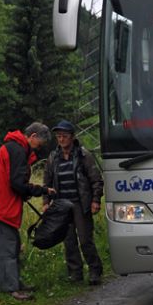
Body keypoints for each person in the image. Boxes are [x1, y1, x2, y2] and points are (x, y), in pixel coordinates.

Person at [0, 122, 55, 301]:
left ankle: (15, 283)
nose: (39, 148)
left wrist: (25, 192)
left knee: (14, 244)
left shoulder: (17, 148)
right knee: (7, 247)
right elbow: (17, 184)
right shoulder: (17, 150)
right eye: (39, 143)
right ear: (32, 136)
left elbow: (16, 183)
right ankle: (11, 289)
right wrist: (40, 190)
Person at [42, 120, 105, 285]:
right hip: (62, 206)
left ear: (72, 137)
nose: (61, 139)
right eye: (58, 136)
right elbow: (46, 182)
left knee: (85, 239)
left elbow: (96, 180)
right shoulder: (53, 157)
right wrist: (46, 201)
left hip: (80, 203)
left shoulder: (84, 155)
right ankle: (75, 273)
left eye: (64, 136)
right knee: (69, 241)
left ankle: (94, 270)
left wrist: (95, 200)